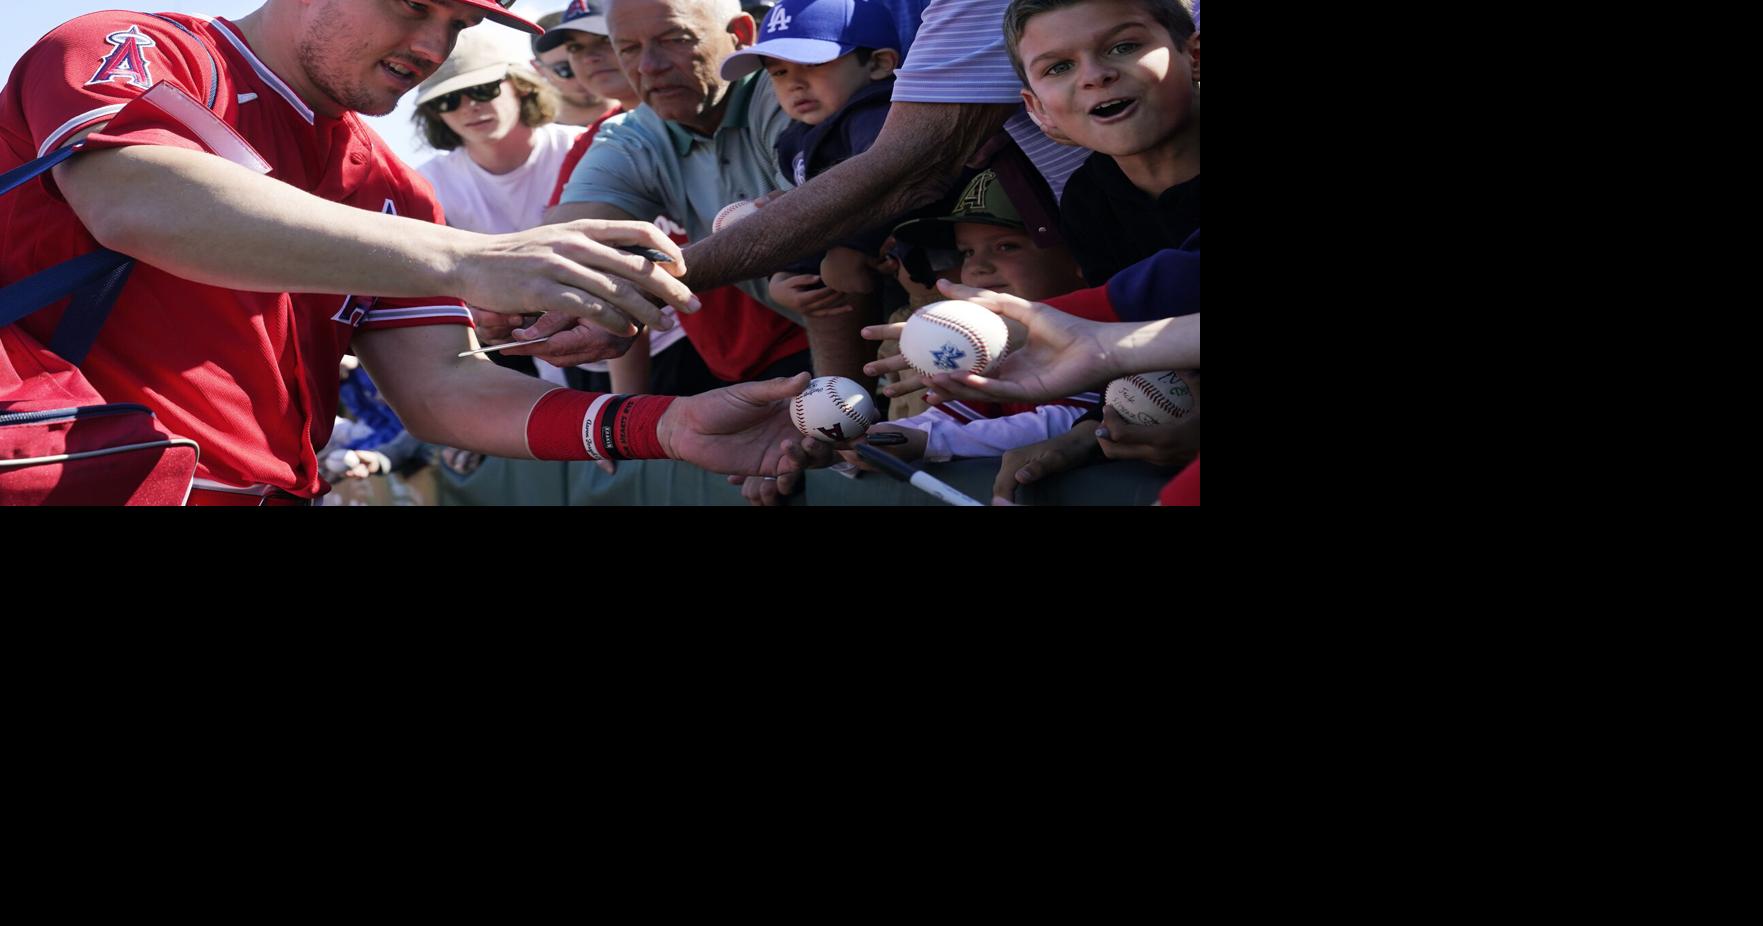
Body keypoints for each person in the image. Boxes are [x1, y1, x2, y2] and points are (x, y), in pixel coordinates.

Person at [0, 0, 812, 504]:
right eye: (412, 5)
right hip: (72, 481)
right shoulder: (134, 45)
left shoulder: (390, 185)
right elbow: (138, 201)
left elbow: (440, 385)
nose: (434, 46)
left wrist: (662, 427)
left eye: (459, 24)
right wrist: (467, 257)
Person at [544, 0, 812, 389]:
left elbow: (825, 264)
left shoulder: (788, 93)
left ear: (740, 35)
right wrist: (517, 298)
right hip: (750, 366)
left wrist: (642, 290)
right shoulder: (630, 135)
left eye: (675, 39)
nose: (649, 66)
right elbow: (568, 237)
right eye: (629, 48)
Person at [721, 0, 905, 385]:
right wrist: (789, 275)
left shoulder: (874, 115)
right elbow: (817, 213)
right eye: (780, 71)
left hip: (928, 282)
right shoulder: (797, 137)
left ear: (878, 64)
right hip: (871, 297)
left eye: (813, 64)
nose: (794, 83)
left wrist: (853, 246)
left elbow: (888, 178)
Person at [1006, 0, 1199, 284]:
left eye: (1124, 47)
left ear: (1194, 55)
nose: (1095, 76)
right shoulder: (1086, 200)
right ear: (1038, 107)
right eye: (1059, 67)